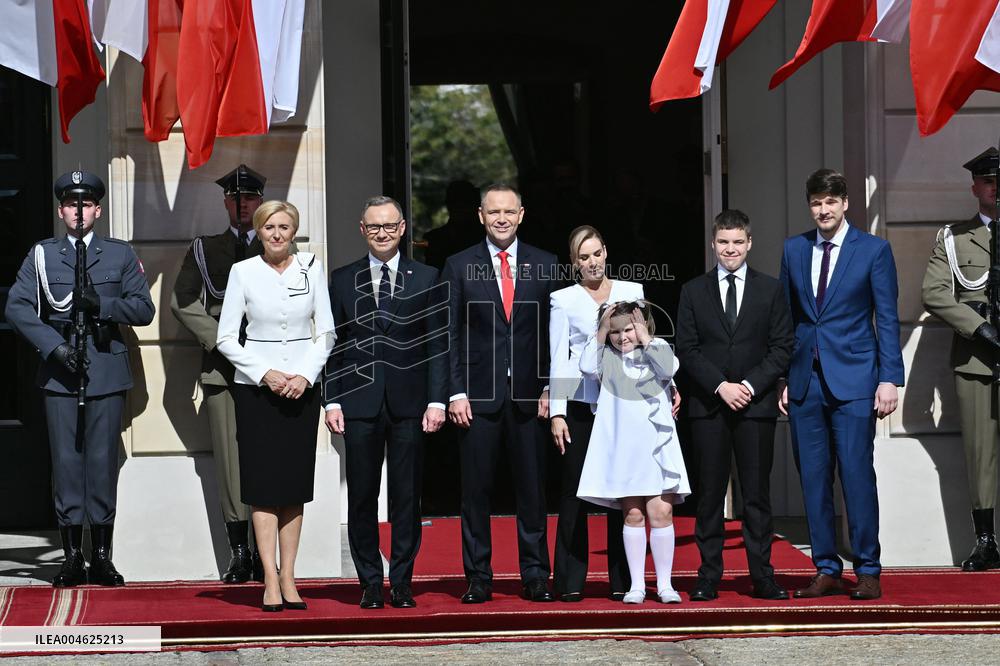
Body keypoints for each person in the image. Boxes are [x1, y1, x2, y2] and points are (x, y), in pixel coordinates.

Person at [5, 170, 155, 587]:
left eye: (85, 204)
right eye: (71, 204)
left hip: (104, 368)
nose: (78, 211)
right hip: (61, 373)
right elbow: (17, 307)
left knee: (102, 462)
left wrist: (102, 305)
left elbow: (144, 309)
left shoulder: (119, 254)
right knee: (68, 463)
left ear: (97, 211)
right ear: (60, 211)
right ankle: (72, 557)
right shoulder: (42, 255)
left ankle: (102, 556)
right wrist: (55, 347)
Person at [778, 169, 904, 601]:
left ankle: (867, 569)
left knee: (856, 475)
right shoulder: (794, 249)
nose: (823, 209)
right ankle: (826, 568)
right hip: (805, 382)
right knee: (813, 479)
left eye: (831, 201)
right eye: (816, 202)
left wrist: (889, 378)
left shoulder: (873, 250)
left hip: (856, 380)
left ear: (846, 203)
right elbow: (787, 320)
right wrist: (784, 377)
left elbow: (887, 318)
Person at [323, 196, 449, 609]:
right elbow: (334, 344)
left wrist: (437, 400)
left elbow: (438, 344)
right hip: (358, 402)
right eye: (374, 226)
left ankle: (402, 581)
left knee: (406, 496)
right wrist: (331, 400)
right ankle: (370, 583)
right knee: (361, 495)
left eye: (390, 226)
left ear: (402, 229)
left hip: (410, 402)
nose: (382, 233)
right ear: (363, 230)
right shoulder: (342, 279)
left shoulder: (427, 277)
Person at [440, 183, 559, 604]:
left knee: (533, 490)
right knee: (476, 492)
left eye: (509, 211)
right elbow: (449, 335)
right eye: (494, 212)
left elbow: (558, 335)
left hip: (531, 396)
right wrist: (455, 392)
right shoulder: (458, 265)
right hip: (477, 396)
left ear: (521, 215)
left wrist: (554, 388)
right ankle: (478, 577)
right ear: (481, 216)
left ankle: (536, 575)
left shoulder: (545, 264)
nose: (502, 219)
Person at [216, 200, 335, 612]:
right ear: (260, 232)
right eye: (269, 227)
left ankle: (289, 575)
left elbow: (326, 332)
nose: (277, 234)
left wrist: (304, 375)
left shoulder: (311, 268)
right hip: (257, 391)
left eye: (284, 227)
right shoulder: (242, 272)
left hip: (302, 390)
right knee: (263, 487)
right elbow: (226, 337)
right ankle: (269, 575)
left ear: (294, 231)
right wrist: (264, 373)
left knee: (293, 486)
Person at [675, 210, 794, 602]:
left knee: (756, 495)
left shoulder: (771, 290)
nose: (730, 249)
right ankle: (708, 575)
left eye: (737, 242)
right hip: (708, 407)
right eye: (724, 242)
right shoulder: (693, 290)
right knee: (709, 495)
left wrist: (748, 385)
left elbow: (782, 347)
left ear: (749, 243)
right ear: (714, 244)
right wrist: (720, 387)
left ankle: (763, 576)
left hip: (755, 407)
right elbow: (687, 349)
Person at [170, 163, 266, 584]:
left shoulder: (276, 244)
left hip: (269, 368)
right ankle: (240, 553)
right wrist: (222, 342)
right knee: (230, 463)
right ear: (226, 202)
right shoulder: (206, 248)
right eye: (235, 198)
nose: (243, 205)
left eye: (250, 198)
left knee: (268, 459)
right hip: (223, 367)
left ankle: (265, 552)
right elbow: (183, 301)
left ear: (260, 201)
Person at [548, 225, 642, 602]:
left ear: (606, 252)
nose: (592, 262)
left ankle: (624, 580)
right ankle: (569, 581)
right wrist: (557, 412)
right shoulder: (563, 300)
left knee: (624, 492)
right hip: (581, 406)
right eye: (583, 257)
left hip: (624, 406)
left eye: (596, 253)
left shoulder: (632, 291)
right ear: (575, 263)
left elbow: (645, 348)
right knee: (574, 493)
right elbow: (559, 358)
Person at [576, 301, 690, 604]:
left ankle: (665, 584)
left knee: (661, 512)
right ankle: (636, 585)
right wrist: (601, 330)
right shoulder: (606, 357)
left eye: (628, 329)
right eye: (615, 331)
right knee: (634, 514)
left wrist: (645, 336)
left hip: (656, 445)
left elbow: (669, 367)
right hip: (624, 447)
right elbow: (586, 367)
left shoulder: (657, 348)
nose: (622, 337)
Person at [922, 147, 1000, 571]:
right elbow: (934, 293)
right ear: (975, 188)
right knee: (980, 452)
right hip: (977, 359)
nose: (995, 188)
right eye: (988, 181)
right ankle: (986, 541)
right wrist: (980, 328)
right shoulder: (954, 238)